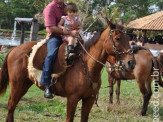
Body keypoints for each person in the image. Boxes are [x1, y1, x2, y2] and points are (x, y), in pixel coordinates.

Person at [41, 0, 80, 99]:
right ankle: (47, 85)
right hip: (55, 36)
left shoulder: (68, 6)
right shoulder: (50, 8)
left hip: (72, 35)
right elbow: (52, 28)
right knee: (50, 56)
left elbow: (76, 21)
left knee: (87, 49)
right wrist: (69, 33)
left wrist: (77, 26)